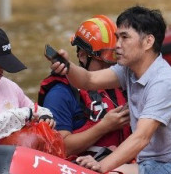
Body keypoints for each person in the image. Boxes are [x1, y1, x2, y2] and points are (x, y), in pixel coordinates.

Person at [49, 6, 171, 174]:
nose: (117, 45)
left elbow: (141, 138)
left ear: (148, 41)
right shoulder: (128, 70)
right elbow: (88, 80)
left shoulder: (163, 82)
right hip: (149, 164)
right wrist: (67, 67)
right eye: (117, 37)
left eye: (124, 37)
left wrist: (101, 166)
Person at [38, 15, 131, 157]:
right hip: (82, 171)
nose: (111, 68)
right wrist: (104, 127)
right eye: (105, 61)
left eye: (115, 61)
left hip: (120, 164)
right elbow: (59, 148)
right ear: (82, 56)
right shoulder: (60, 93)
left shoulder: (122, 84)